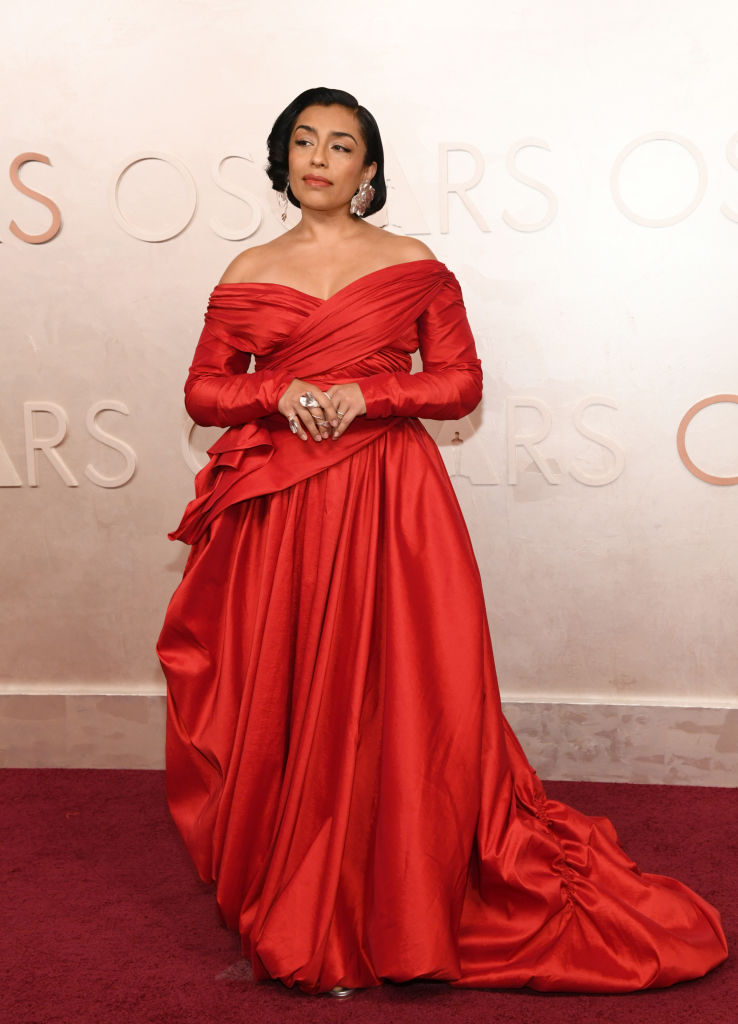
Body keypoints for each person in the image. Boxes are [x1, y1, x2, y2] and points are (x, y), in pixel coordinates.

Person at [157, 87, 727, 997]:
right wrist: (275, 394)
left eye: (341, 145)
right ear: (283, 160)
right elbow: (203, 390)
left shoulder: (414, 264)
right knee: (296, 691)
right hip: (283, 510)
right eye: (303, 141)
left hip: (391, 499)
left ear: (369, 169)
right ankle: (304, 900)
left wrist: (370, 396)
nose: (319, 157)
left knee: (408, 689)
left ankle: (392, 903)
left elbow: (459, 382)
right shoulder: (246, 269)